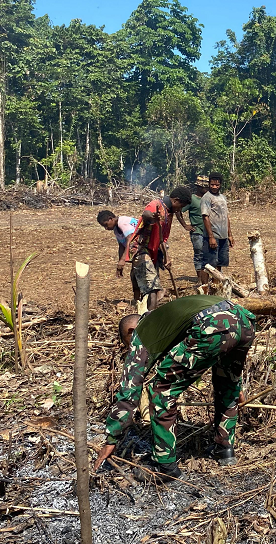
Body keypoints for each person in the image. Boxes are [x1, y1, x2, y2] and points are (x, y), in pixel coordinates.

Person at [93, 295, 257, 482]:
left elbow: (129, 389)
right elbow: (227, 329)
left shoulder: (143, 332)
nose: (131, 349)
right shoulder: (166, 318)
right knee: (226, 383)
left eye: (127, 344)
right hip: (244, 321)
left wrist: (112, 438)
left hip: (212, 324)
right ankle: (224, 449)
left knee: (161, 391)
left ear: (131, 331)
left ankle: (165, 466)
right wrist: (236, 384)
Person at [119, 189, 189, 312]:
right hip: (140, 249)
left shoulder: (169, 214)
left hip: (153, 252)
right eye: (180, 206)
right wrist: (153, 217)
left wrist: (167, 257)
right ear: (175, 200)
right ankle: (150, 316)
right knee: (153, 286)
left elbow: (163, 239)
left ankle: (144, 309)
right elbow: (146, 214)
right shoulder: (156, 205)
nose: (179, 210)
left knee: (147, 282)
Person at [178, 176, 209, 287]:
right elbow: (178, 210)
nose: (207, 189)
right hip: (197, 231)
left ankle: (207, 277)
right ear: (199, 187)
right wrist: (185, 225)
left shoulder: (208, 198)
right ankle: (199, 279)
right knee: (199, 254)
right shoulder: (192, 199)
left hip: (208, 231)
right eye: (205, 187)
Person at [201, 172, 233, 279]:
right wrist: (211, 237)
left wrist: (230, 235)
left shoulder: (223, 197)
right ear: (209, 184)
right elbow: (205, 217)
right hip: (212, 236)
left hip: (223, 237)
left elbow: (226, 216)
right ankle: (204, 289)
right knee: (208, 265)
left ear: (220, 185)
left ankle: (216, 286)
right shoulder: (207, 198)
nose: (214, 187)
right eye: (212, 184)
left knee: (220, 263)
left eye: (217, 185)